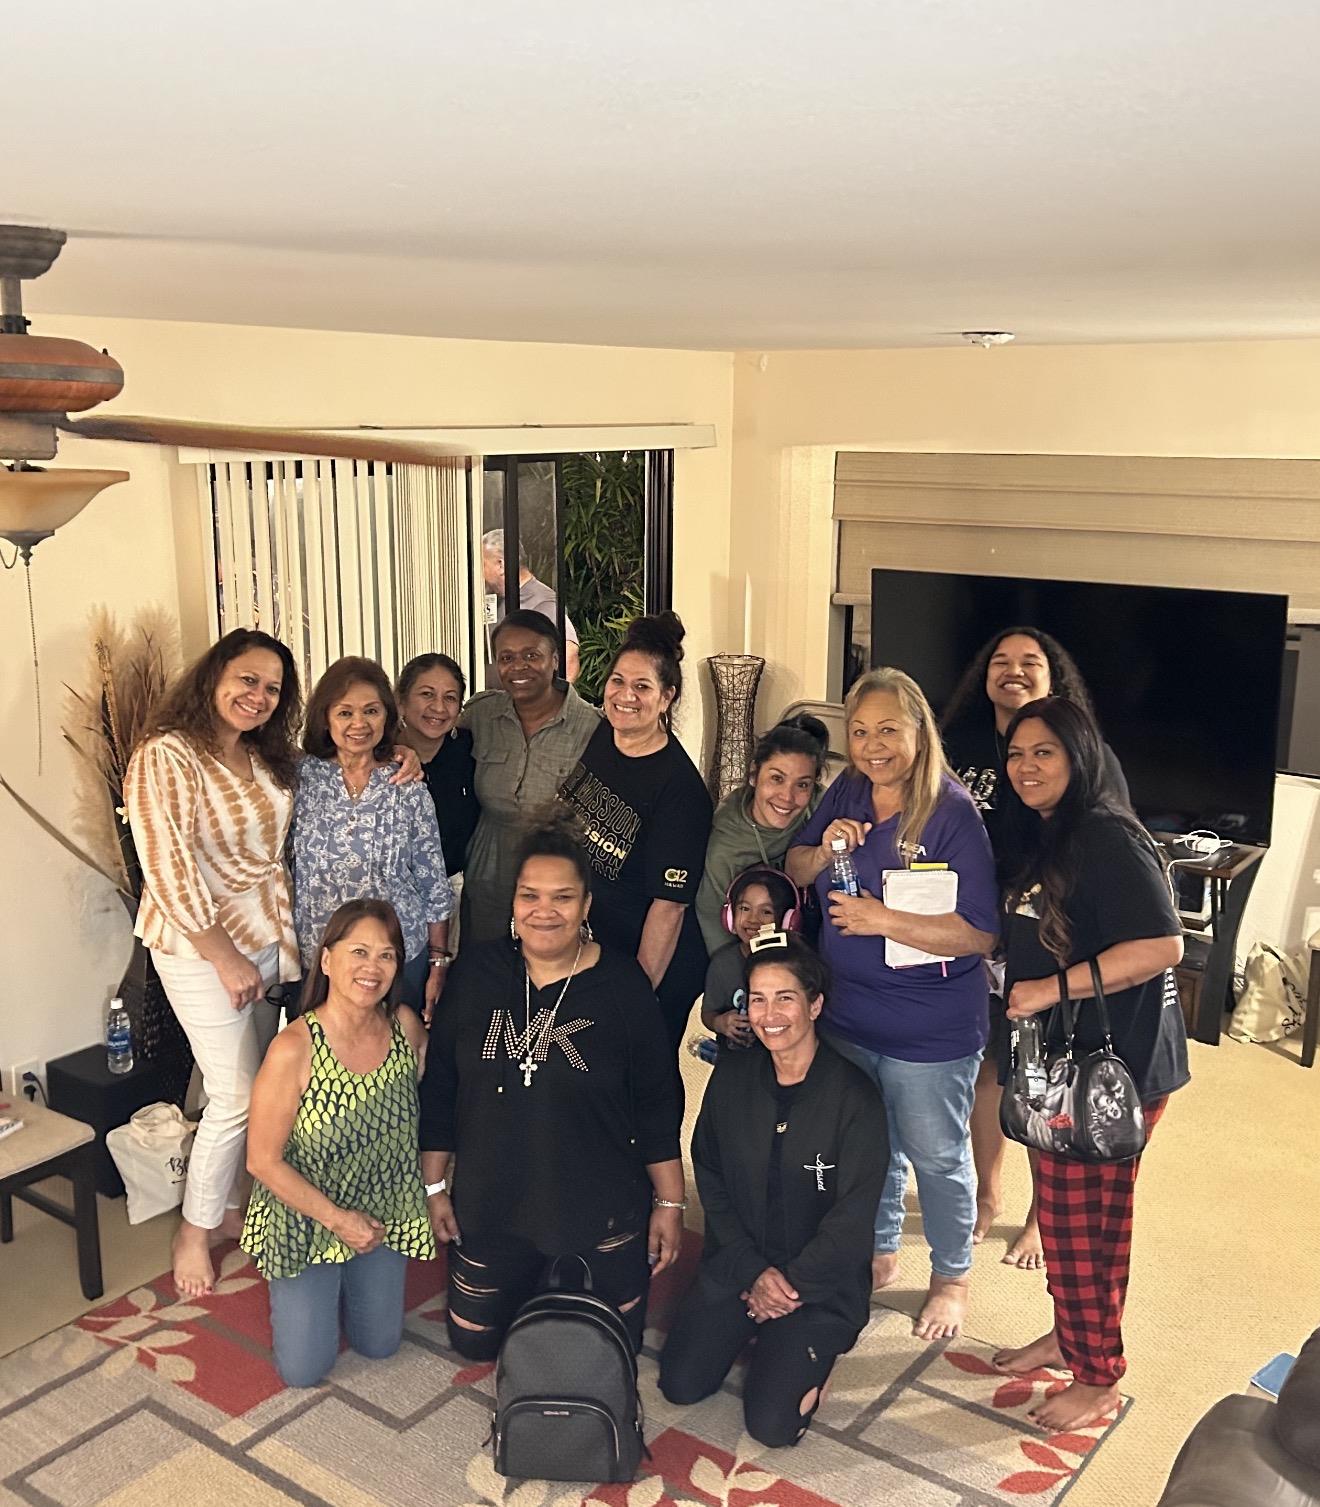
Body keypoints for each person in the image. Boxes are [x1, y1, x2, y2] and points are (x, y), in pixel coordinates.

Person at [418, 811, 684, 1358]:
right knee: (475, 1345)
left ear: (586, 906)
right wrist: (434, 1186)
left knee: (608, 1349)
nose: (544, 911)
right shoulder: (476, 973)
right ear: (513, 903)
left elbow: (657, 1100)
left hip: (597, 1202)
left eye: (562, 897)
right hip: (494, 1199)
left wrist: (671, 1203)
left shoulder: (622, 985)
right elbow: (441, 1083)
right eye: (529, 895)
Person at [990, 695, 1186, 1430]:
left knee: (1086, 1226)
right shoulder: (1047, 833)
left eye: (1044, 751)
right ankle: (1069, 1337)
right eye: (1016, 753)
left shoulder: (1107, 834)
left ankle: (1098, 1374)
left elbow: (1163, 946)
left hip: (1115, 1069)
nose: (1026, 766)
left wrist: (1048, 986)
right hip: (1063, 1059)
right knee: (1068, 1214)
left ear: (1079, 755)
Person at [786, 666, 998, 1342]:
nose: (873, 744)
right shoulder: (847, 787)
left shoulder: (952, 811)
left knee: (936, 1155)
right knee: (867, 1145)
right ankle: (878, 1243)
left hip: (929, 1028)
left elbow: (979, 931)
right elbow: (794, 868)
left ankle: (952, 1275)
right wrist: (826, 849)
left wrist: (883, 920)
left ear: (919, 732)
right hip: (848, 1012)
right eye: (861, 730)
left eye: (889, 730)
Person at [941, 626, 1129, 1268]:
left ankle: (1040, 1214)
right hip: (975, 935)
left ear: (1056, 683)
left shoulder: (1087, 756)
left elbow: (1107, 850)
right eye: (999, 661)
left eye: (1030, 663)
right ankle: (988, 1195)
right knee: (990, 1069)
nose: (1013, 671)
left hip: (1050, 942)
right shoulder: (957, 747)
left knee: (1048, 1077)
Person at [125, 628, 303, 1299]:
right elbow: (167, 868)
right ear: (214, 676)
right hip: (197, 944)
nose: (257, 696)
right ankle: (194, 1230)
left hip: (263, 934)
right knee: (235, 1092)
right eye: (247, 679)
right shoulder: (164, 756)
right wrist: (225, 957)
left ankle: (229, 1203)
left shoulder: (262, 756)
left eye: (272, 688)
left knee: (241, 1081)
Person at [659, 933, 888, 1448]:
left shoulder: (854, 1097)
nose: (769, 1014)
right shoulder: (734, 1074)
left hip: (818, 1284)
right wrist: (750, 1270)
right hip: (740, 1263)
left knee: (773, 1428)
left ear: (815, 1004)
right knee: (681, 1385)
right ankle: (760, 1329)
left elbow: (852, 1219)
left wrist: (788, 1287)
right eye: (757, 999)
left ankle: (807, 1350)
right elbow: (709, 1173)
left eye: (785, 997)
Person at [242, 899, 435, 1388]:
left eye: (387, 955)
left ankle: (351, 1285)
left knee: (380, 1345)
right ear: (327, 961)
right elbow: (262, 1161)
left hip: (382, 1210)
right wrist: (339, 1221)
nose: (372, 968)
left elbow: (421, 1124)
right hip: (307, 1215)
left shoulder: (406, 1028)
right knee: (304, 1371)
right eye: (359, 952)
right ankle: (317, 1288)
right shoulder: (294, 1048)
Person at [558, 611, 714, 1053]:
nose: (626, 696)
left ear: (667, 697)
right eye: (617, 681)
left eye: (642, 687)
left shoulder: (680, 791)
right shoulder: (606, 737)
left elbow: (669, 910)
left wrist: (637, 995)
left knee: (646, 1076)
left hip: (655, 960)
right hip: (599, 945)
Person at [292, 657, 454, 1020]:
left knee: (397, 1062)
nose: (359, 724)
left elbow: (433, 885)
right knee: (323, 1069)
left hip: (395, 957)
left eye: (371, 711)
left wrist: (438, 963)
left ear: (388, 716)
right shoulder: (300, 778)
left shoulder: (406, 784)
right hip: (321, 956)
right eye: (345, 712)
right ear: (325, 717)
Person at [460, 609, 599, 944]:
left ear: (555, 659)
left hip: (555, 875)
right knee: (486, 965)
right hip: (488, 870)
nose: (518, 667)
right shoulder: (481, 715)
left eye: (531, 655)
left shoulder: (593, 728)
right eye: (506, 658)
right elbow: (429, 739)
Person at [694, 714, 830, 956]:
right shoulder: (724, 846)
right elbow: (715, 931)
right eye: (776, 779)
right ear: (754, 775)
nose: (787, 797)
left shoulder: (822, 809)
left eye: (802, 785)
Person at [699, 866, 802, 1053]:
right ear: (730, 915)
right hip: (738, 1057)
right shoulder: (722, 963)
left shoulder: (798, 964)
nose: (753, 920)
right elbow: (708, 1013)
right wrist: (720, 1023)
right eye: (745, 908)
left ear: (788, 921)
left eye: (766, 912)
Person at [396, 653, 479, 880]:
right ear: (401, 702)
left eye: (450, 698)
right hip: (394, 897)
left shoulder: (471, 751)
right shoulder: (380, 758)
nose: (439, 707)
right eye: (426, 694)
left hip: (459, 890)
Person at [482, 528, 580, 683]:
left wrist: (548, 702)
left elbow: (570, 654)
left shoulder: (543, 602)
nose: (480, 573)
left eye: (483, 565)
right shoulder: (501, 600)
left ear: (500, 565)